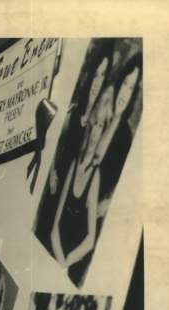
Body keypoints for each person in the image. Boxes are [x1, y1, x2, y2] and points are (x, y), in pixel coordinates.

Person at [34, 41, 113, 256]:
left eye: (103, 75)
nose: (98, 81)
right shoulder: (74, 109)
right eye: (96, 74)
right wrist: (51, 174)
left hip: (70, 192)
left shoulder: (98, 118)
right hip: (55, 183)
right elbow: (52, 143)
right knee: (41, 234)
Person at [50, 82, 113, 285]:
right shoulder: (74, 164)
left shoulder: (96, 175)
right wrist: (59, 262)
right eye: (95, 124)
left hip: (71, 261)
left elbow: (90, 241)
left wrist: (67, 262)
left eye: (101, 126)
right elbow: (54, 227)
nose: (96, 132)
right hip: (55, 253)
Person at [95, 52, 142, 214]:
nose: (125, 92)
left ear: (134, 93)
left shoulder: (125, 138)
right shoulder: (100, 110)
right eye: (125, 83)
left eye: (131, 88)